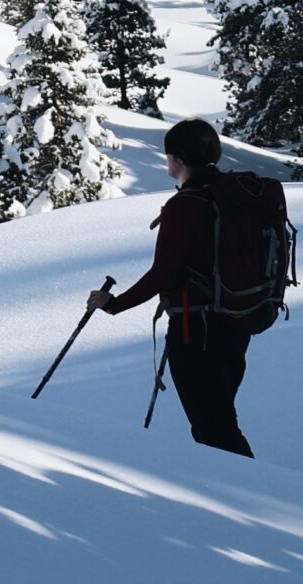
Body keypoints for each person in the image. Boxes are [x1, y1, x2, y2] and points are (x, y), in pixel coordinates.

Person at [84, 115, 257, 457]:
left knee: (213, 426)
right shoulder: (230, 197)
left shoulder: (185, 206)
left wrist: (113, 303)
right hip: (236, 321)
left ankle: (252, 498)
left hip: (197, 330)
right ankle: (237, 494)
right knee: (219, 418)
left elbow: (164, 272)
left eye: (169, 155)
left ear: (178, 157)